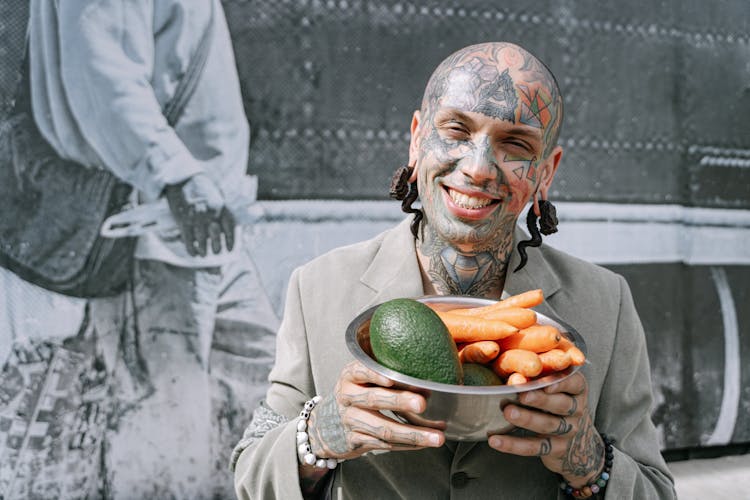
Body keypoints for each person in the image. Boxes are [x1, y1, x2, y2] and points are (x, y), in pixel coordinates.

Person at [232, 42, 676, 499]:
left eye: (515, 144)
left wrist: (589, 461)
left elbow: (656, 490)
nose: (479, 168)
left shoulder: (606, 304)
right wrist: (319, 436)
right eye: (457, 131)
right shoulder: (319, 288)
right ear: (418, 138)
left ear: (546, 172)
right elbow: (251, 477)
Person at [1, 1, 279, 498]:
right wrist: (175, 175)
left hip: (200, 226)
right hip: (157, 223)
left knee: (257, 392)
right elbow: (100, 73)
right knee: (164, 429)